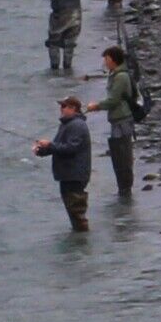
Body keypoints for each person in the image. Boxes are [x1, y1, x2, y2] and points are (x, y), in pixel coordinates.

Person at [30, 94, 96, 235]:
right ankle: (80, 238)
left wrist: (49, 145)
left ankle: (82, 240)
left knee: (76, 212)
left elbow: (71, 148)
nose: (61, 109)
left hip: (75, 175)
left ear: (73, 108)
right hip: (68, 175)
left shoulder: (77, 125)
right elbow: (58, 147)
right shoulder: (67, 124)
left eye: (63, 106)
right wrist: (42, 151)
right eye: (61, 106)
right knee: (73, 211)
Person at [100, 41, 147, 198]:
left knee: (123, 154)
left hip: (122, 119)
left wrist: (96, 106)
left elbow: (113, 100)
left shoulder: (120, 77)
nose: (105, 62)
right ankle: (124, 189)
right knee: (119, 154)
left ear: (113, 59)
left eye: (106, 59)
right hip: (119, 119)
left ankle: (125, 190)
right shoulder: (117, 75)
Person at [41, 0, 86, 72]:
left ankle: (54, 69)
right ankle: (68, 69)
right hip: (76, 15)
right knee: (70, 43)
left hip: (58, 17)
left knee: (54, 42)